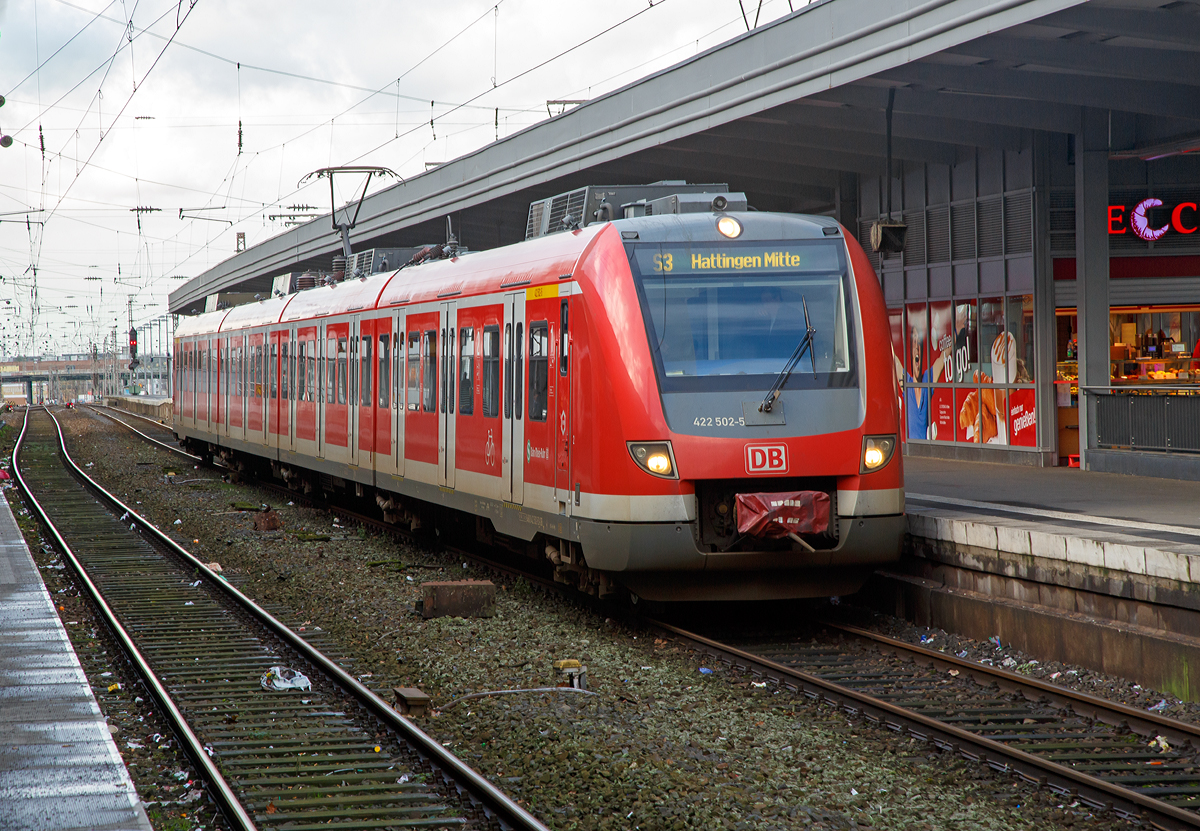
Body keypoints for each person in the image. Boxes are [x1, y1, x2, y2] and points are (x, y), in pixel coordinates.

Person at [894, 331, 949, 440]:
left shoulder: (928, 379)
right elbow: (893, 357)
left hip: (926, 448)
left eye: (919, 342)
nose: (916, 348)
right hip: (912, 447)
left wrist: (956, 332)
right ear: (911, 352)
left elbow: (943, 357)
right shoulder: (906, 383)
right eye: (914, 342)